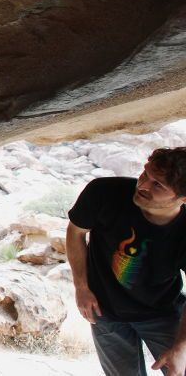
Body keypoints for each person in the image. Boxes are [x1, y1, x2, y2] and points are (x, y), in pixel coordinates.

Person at [66, 147, 186, 375]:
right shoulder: (103, 192)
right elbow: (76, 231)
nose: (142, 186)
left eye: (157, 185)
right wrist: (81, 287)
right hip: (105, 311)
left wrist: (181, 347)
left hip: (163, 313)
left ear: (183, 198)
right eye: (145, 174)